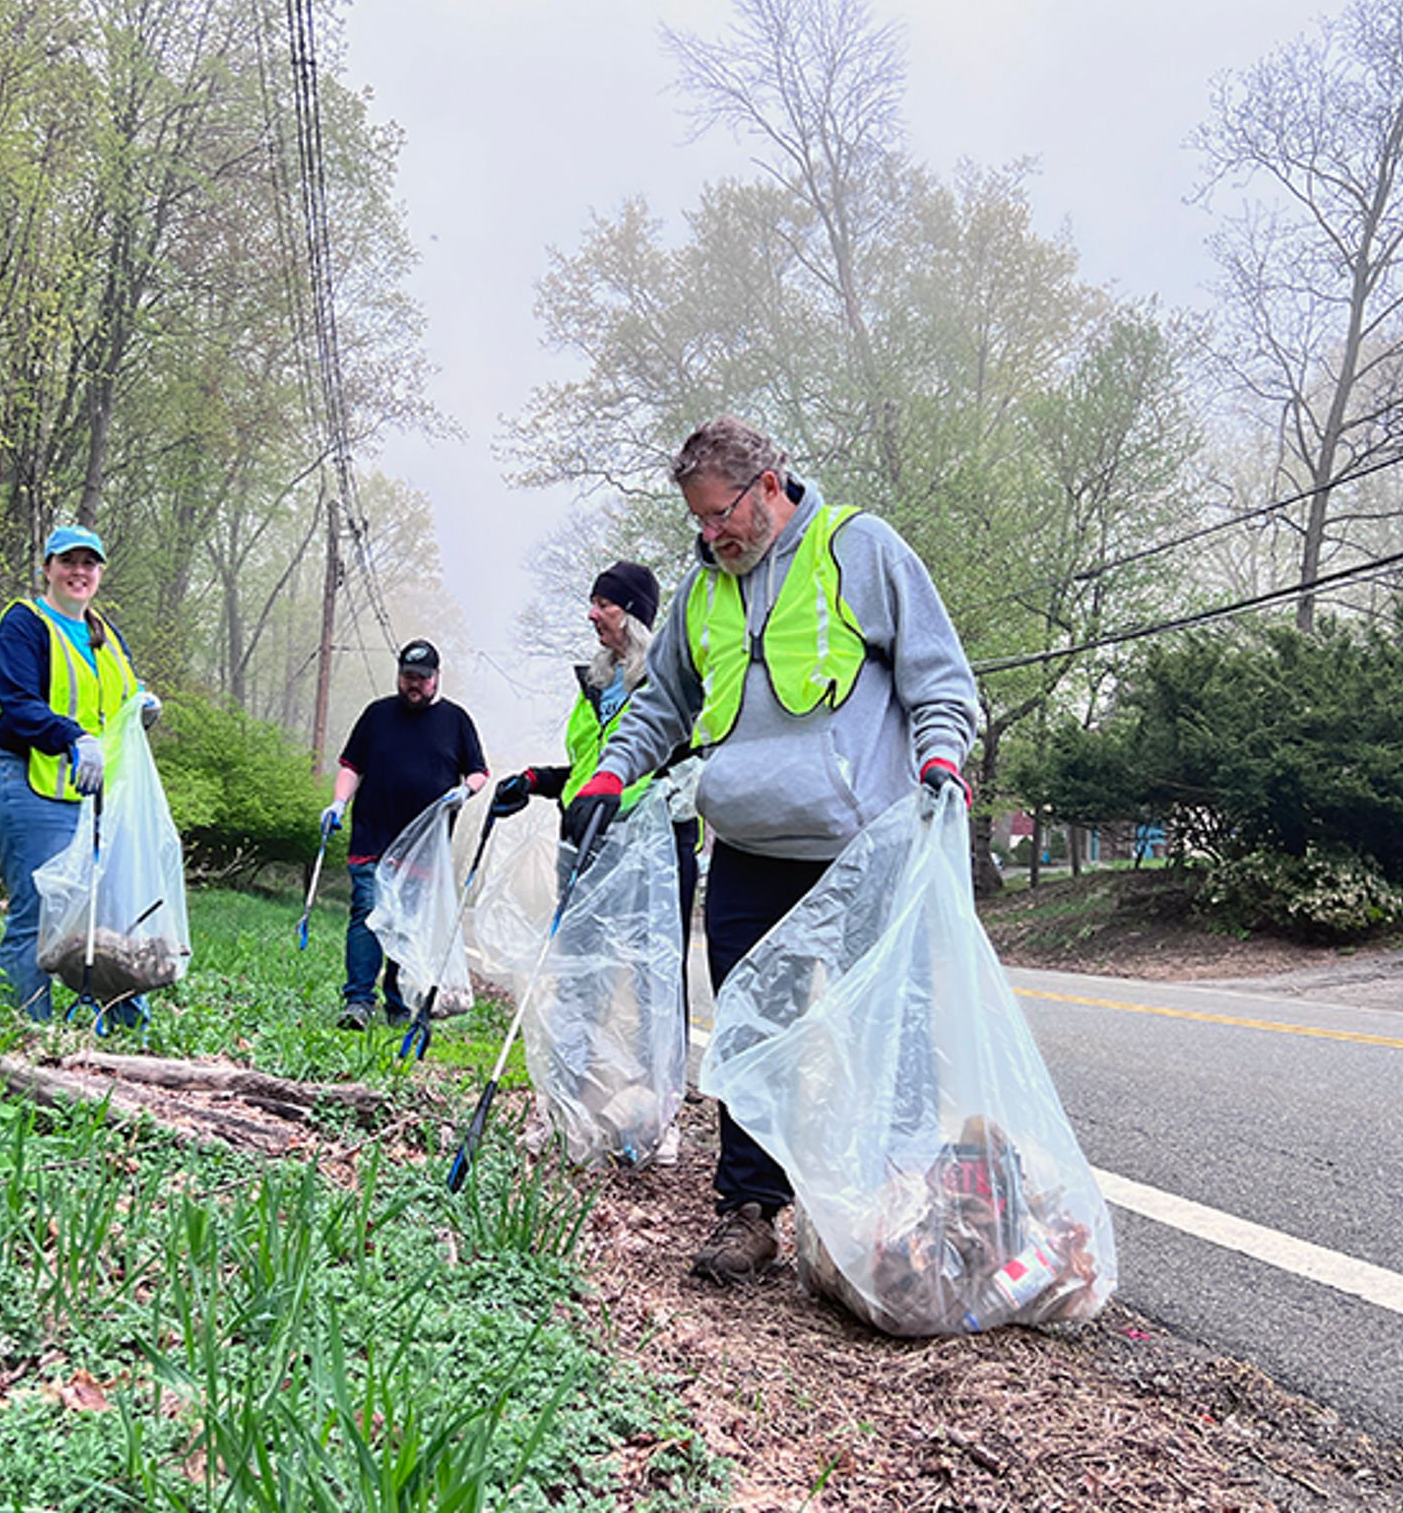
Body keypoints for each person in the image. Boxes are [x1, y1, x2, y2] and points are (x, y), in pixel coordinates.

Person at [561, 416, 980, 1283]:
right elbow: (663, 704)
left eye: (723, 515)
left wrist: (940, 756)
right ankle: (748, 1213)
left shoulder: (859, 548)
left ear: (770, 484)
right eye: (699, 522)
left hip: (863, 844)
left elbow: (939, 676)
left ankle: (896, 1203)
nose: (713, 536)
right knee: (751, 1035)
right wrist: (611, 773)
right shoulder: (701, 589)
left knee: (885, 1026)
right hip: (749, 844)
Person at [487, 561, 703, 1164]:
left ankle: (654, 1115)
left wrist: (668, 798)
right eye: (592, 602)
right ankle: (560, 1108)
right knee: (581, 980)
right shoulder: (594, 684)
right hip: (586, 848)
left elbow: (694, 763)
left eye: (604, 604)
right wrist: (537, 780)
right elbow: (589, 771)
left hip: (653, 855)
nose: (592, 615)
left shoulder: (675, 681)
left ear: (633, 615)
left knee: (654, 982)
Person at [0, 525, 160, 1025]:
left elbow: (116, 697)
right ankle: (27, 1032)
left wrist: (140, 705)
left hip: (90, 794)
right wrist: (72, 737)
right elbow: (17, 702)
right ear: (48, 568)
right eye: (68, 561)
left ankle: (125, 1031)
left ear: (100, 572)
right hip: (24, 783)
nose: (79, 572)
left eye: (89, 563)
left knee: (102, 916)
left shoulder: (103, 633)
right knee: (40, 914)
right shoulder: (25, 622)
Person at [322, 639, 488, 1029]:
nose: (413, 685)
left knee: (406, 923)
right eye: (407, 677)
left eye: (422, 679)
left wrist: (465, 791)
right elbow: (350, 767)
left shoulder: (456, 720)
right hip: (372, 835)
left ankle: (398, 1004)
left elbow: (479, 772)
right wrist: (338, 804)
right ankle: (359, 1001)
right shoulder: (376, 715)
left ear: (436, 678)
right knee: (367, 913)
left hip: (423, 849)